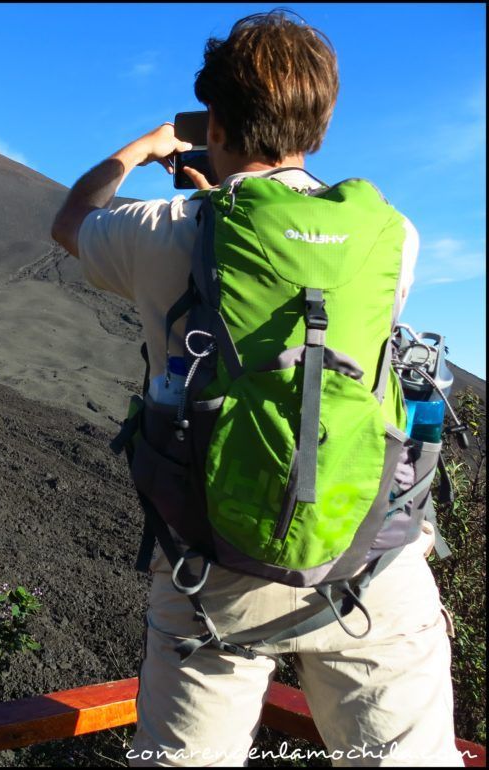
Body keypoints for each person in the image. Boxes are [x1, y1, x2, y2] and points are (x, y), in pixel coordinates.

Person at [51, 10, 463, 768]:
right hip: (371, 561)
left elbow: (71, 220)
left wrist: (144, 149)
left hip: (213, 571)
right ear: (325, 118)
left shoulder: (164, 226)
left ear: (213, 118)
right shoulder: (393, 236)